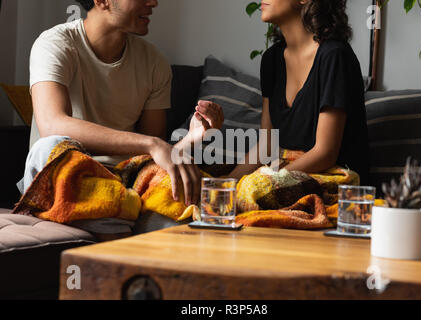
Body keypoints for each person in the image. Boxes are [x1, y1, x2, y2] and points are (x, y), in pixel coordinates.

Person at [17, 0, 224, 237]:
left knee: (182, 206)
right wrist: (152, 144)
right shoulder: (55, 44)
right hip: (66, 177)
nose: (153, 2)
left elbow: (152, 159)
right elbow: (52, 124)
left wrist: (191, 139)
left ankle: (118, 218)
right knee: (49, 146)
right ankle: (121, 224)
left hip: (125, 185)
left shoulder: (154, 62)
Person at [228, 0, 370, 184]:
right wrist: (225, 185)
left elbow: (325, 153)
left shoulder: (335, 56)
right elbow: (267, 145)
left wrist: (268, 182)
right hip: (289, 179)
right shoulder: (271, 60)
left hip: (336, 183)